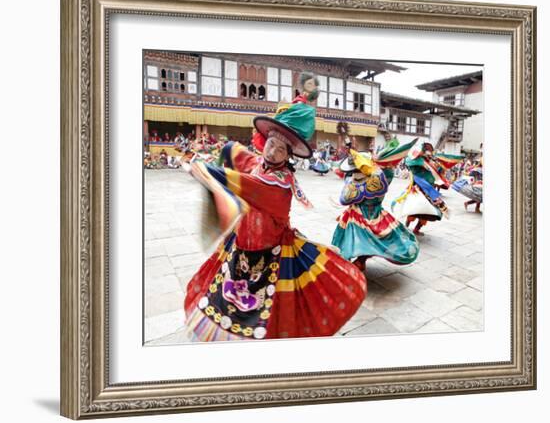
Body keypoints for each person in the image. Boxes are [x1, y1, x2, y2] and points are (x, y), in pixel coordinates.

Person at [183, 77, 366, 342]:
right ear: (264, 141)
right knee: (224, 305)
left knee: (272, 312)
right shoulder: (258, 163)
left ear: (289, 155)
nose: (274, 152)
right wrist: (219, 155)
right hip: (240, 249)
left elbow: (250, 185)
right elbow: (233, 150)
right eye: (271, 143)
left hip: (272, 255)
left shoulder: (278, 184)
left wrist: (206, 171)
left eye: (282, 149)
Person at [331, 139, 419, 271]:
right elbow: (388, 171)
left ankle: (356, 261)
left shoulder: (352, 182)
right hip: (377, 214)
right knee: (373, 239)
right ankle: (361, 260)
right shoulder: (383, 177)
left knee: (351, 239)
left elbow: (344, 199)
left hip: (357, 215)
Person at [392, 142, 463, 236]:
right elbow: (410, 163)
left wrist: (441, 166)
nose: (428, 152)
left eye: (429, 151)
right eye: (426, 150)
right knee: (412, 208)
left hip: (429, 190)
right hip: (417, 188)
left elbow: (437, 171)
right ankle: (406, 227)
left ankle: (416, 229)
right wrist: (422, 162)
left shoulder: (429, 160)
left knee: (428, 212)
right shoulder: (414, 159)